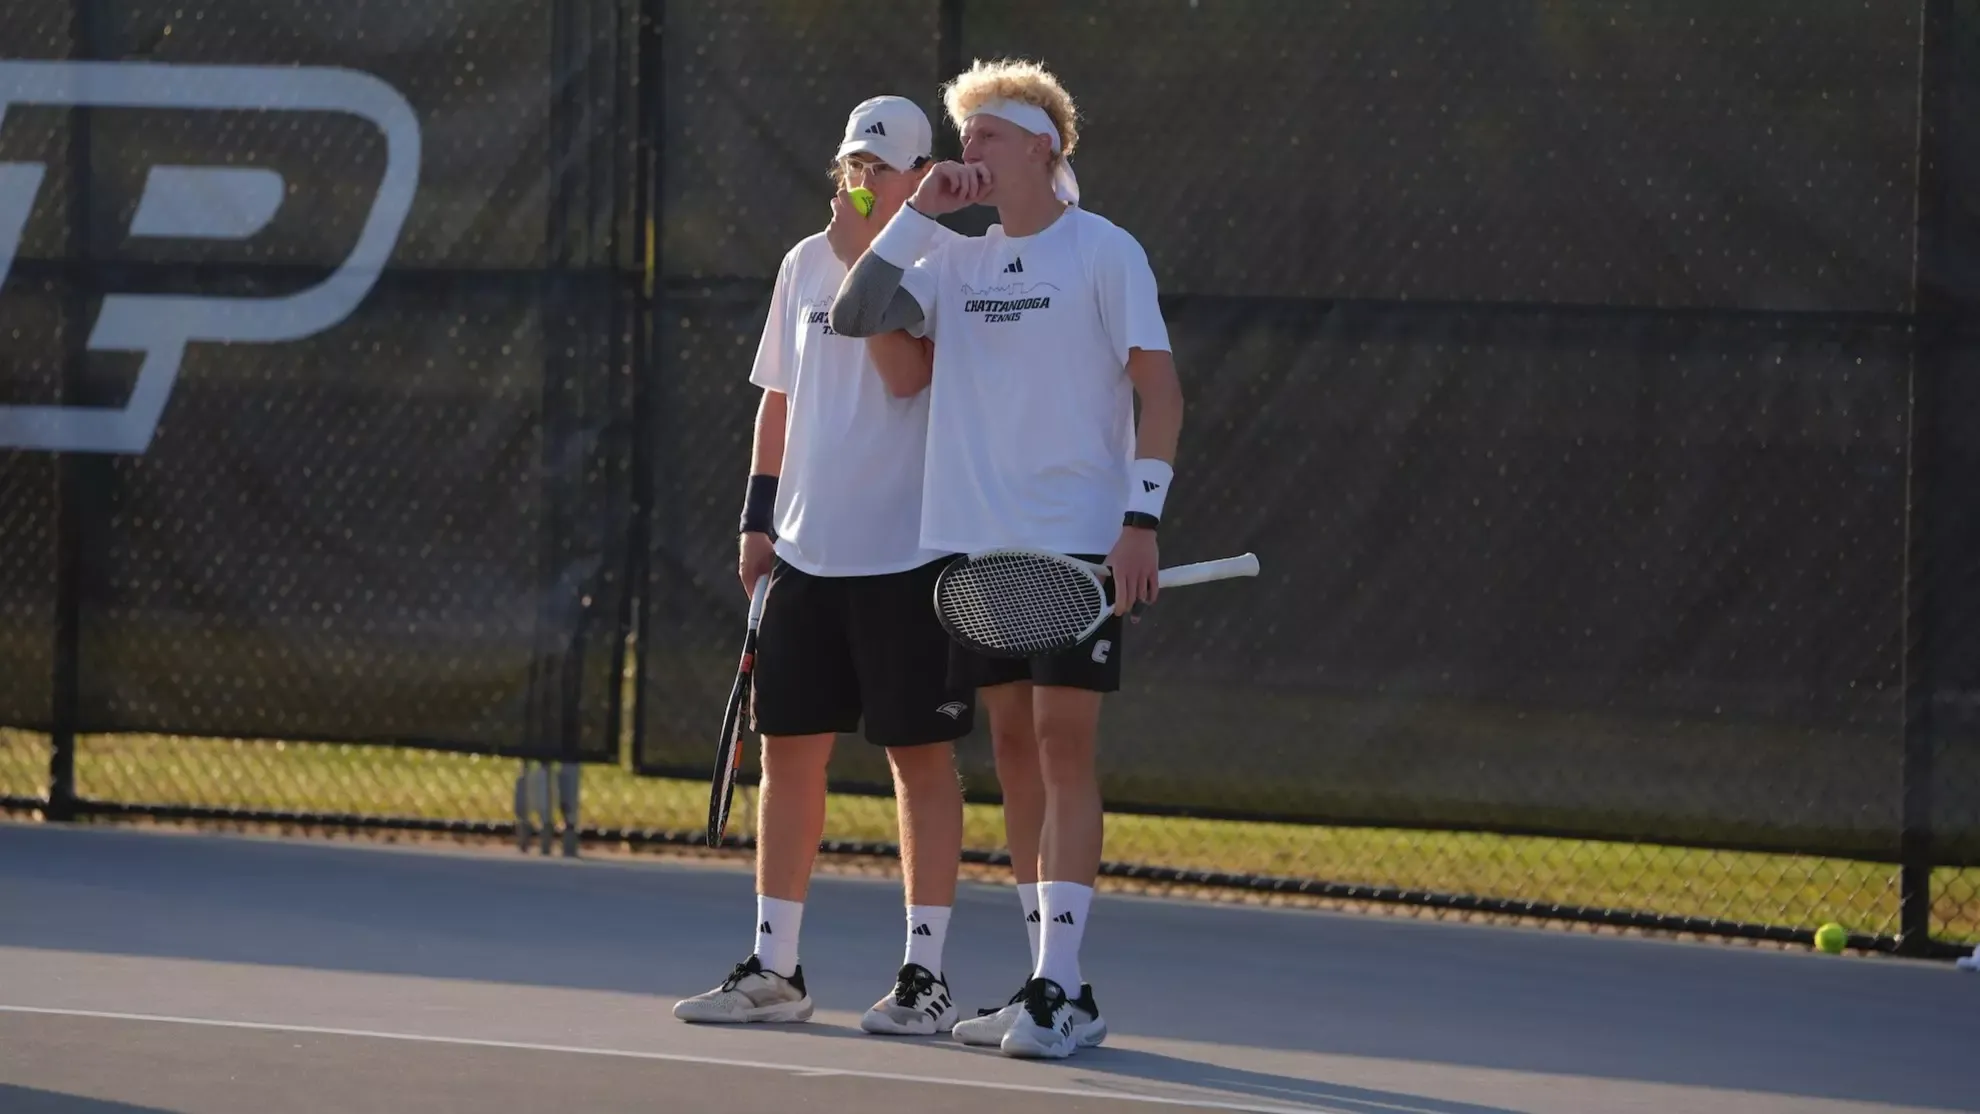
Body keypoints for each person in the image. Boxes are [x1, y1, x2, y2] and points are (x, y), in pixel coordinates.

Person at [830, 58, 1184, 1059]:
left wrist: (1140, 520)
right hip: (975, 547)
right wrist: (919, 212)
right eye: (961, 135)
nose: (966, 150)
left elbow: (1160, 393)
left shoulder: (1105, 251)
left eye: (984, 135)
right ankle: (1046, 982)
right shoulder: (949, 259)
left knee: (1064, 743)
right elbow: (857, 313)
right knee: (1016, 752)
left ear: (1043, 146)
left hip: (1077, 539)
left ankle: (1062, 985)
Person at [672, 95, 975, 1038]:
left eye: (882, 166)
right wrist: (757, 519)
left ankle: (923, 977)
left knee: (918, 759)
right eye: (852, 161)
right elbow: (778, 401)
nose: (862, 178)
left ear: (922, 177)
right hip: (805, 555)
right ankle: (777, 967)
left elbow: (905, 375)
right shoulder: (801, 261)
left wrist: (861, 260)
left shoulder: (944, 263)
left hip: (909, 556)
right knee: (787, 752)